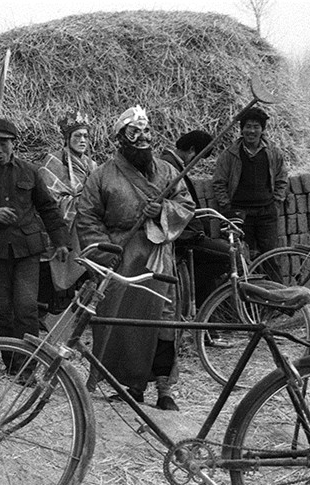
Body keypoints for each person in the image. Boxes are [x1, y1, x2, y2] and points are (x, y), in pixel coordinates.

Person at [77, 106, 195, 411]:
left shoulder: (169, 171)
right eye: (134, 132)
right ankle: (131, 386)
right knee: (125, 323)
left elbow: (186, 205)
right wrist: (107, 253)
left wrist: (164, 211)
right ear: (120, 138)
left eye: (146, 132)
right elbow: (87, 218)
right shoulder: (101, 175)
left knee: (163, 323)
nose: (142, 138)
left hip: (159, 257)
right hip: (122, 258)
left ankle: (164, 388)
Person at [0, 117, 71, 374]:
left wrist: (61, 241)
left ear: (14, 144)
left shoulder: (29, 171)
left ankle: (27, 367)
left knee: (26, 307)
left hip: (27, 251)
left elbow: (48, 208)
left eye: (3, 144)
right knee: (4, 310)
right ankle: (11, 363)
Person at [35, 111, 98, 314]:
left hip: (84, 225)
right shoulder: (53, 162)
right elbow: (47, 198)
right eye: (77, 136)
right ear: (67, 138)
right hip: (60, 226)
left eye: (85, 136)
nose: (82, 140)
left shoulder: (92, 166)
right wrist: (76, 201)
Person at [161, 130, 230, 309]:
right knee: (230, 255)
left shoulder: (172, 164)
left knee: (211, 259)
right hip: (184, 235)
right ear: (192, 150)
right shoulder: (170, 168)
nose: (196, 163)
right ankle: (192, 294)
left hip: (188, 232)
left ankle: (203, 314)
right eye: (198, 158)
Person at [211, 107, 288, 263]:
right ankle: (247, 288)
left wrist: (276, 203)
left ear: (262, 130)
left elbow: (281, 179)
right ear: (241, 129)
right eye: (248, 126)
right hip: (240, 214)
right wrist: (227, 207)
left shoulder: (273, 152)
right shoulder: (230, 154)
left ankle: (274, 287)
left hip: (266, 213)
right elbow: (219, 182)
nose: (251, 131)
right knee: (243, 260)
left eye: (256, 127)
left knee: (270, 259)